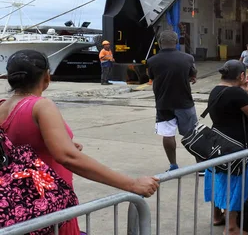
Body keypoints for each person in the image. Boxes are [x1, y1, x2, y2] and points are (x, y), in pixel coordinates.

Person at [0, 50, 159, 235]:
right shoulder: (40, 105)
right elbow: (67, 157)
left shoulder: (2, 105)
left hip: (21, 207)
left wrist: (55, 145)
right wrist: (132, 184)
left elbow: (14, 148)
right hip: (49, 205)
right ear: (46, 77)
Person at [204, 60, 248, 233]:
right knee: (235, 184)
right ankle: (232, 226)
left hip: (216, 142)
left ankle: (216, 215)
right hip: (237, 144)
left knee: (217, 178)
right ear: (242, 76)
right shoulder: (237, 93)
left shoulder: (215, 90)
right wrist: (245, 91)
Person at [147, 30, 198, 172]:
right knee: (193, 134)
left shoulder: (152, 61)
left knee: (168, 135)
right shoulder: (187, 58)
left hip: (163, 103)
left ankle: (173, 166)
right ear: (176, 42)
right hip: (184, 102)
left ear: (159, 43)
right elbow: (193, 74)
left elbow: (152, 77)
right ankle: (201, 166)